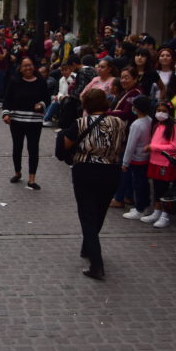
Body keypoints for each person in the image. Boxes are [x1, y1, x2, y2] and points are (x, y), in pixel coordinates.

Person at [63, 89, 126, 280]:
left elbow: (65, 145)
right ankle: (88, 246)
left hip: (86, 171)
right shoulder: (119, 123)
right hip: (111, 171)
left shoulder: (80, 123)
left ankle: (96, 264)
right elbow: (121, 145)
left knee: (87, 214)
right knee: (99, 211)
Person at [2, 57, 50, 190]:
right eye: (25, 66)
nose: (28, 68)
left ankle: (31, 179)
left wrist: (41, 105)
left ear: (34, 67)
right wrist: (6, 114)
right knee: (17, 147)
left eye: (30, 65)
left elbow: (47, 99)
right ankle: (17, 172)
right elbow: (7, 100)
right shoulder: (14, 81)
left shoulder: (41, 82)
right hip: (16, 120)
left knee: (33, 149)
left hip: (34, 121)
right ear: (20, 68)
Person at [141, 101, 176, 229]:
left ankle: (165, 215)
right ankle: (156, 211)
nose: (160, 113)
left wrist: (153, 147)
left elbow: (173, 146)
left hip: (165, 162)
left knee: (164, 190)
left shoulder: (172, 127)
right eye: (158, 110)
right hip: (154, 162)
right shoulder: (157, 125)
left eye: (164, 111)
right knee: (157, 188)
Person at [120, 96, 153, 220]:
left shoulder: (136, 124)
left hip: (137, 158)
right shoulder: (149, 120)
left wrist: (125, 162)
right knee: (143, 184)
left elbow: (131, 145)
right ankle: (145, 206)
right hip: (146, 157)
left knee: (138, 184)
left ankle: (140, 208)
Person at [42, 62, 74, 127]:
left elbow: (73, 92)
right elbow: (60, 91)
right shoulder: (61, 79)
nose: (64, 72)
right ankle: (44, 118)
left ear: (70, 69)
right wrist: (59, 96)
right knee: (53, 98)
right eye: (62, 70)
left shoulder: (74, 78)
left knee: (55, 102)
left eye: (66, 70)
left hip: (70, 99)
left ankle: (45, 118)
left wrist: (63, 97)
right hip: (62, 98)